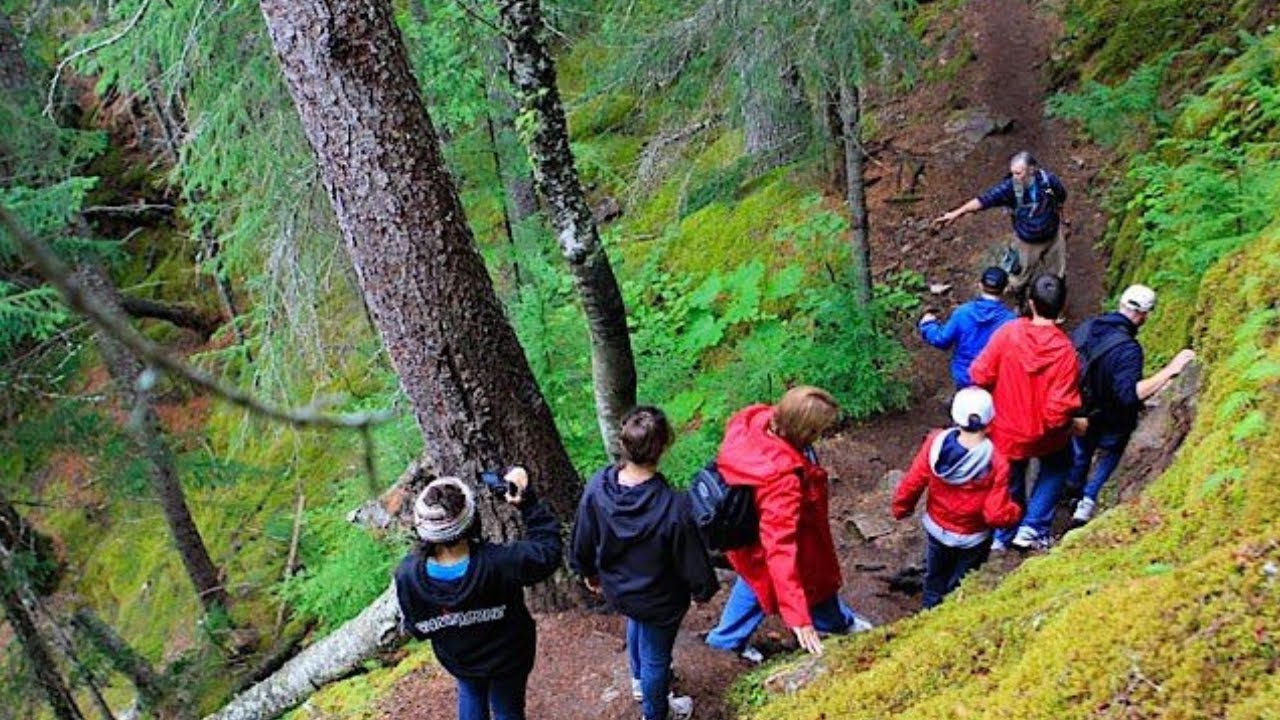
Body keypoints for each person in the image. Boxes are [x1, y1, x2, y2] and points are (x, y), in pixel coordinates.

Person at [704, 386, 871, 662]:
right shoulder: (781, 480)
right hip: (783, 544)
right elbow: (779, 549)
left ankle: (726, 640)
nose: (822, 435)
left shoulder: (755, 422)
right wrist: (798, 617)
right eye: (819, 430)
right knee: (813, 585)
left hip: (748, 540)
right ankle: (835, 623)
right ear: (804, 433)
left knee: (754, 583)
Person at [571, 406, 717, 720]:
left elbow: (582, 535)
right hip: (659, 598)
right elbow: (691, 558)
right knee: (656, 659)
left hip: (619, 589)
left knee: (637, 623)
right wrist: (703, 590)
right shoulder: (673, 506)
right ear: (664, 446)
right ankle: (655, 713)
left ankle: (639, 684)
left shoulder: (598, 486)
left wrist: (587, 571)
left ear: (624, 444)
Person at [393, 469, 561, 720]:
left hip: (460, 659)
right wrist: (528, 504)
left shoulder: (407, 574)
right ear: (471, 519)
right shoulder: (500, 562)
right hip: (508, 657)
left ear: (422, 528)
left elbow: (417, 627)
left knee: (470, 693)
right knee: (507, 710)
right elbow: (548, 552)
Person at [968, 273, 1082, 551]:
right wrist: (1068, 425)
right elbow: (1059, 411)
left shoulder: (1009, 332)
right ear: (1062, 307)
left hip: (1006, 430)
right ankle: (1032, 527)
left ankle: (1003, 536)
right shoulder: (1065, 352)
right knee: (1059, 465)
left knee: (1011, 479)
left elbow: (979, 374)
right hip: (1045, 436)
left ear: (1031, 303)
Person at [1067, 285, 1196, 524]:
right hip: (1111, 419)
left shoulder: (1086, 329)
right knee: (1110, 453)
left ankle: (1072, 490)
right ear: (1144, 315)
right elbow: (1128, 395)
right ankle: (1087, 499)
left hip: (1079, 408)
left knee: (1081, 450)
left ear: (1121, 303)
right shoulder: (1128, 349)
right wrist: (1170, 371)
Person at [892, 388, 1022, 608]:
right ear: (990, 418)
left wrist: (901, 507)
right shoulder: (995, 461)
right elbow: (995, 513)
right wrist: (1015, 513)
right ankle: (951, 612)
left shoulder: (935, 443)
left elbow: (913, 481)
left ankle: (928, 613)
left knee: (935, 576)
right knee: (961, 582)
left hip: (936, 527)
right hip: (973, 537)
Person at [935, 151, 1069, 292]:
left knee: (1057, 275)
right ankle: (1019, 297)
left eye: (1018, 173)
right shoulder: (1010, 188)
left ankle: (1055, 301)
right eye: (1013, 173)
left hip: (1053, 235)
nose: (1015, 178)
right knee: (1019, 277)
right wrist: (956, 213)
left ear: (1031, 170)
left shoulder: (1048, 182)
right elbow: (984, 200)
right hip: (1027, 241)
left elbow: (1059, 198)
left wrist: (1062, 220)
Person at [919, 266, 1018, 389]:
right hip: (993, 379)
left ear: (980, 285)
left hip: (964, 377)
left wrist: (927, 325)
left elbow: (942, 340)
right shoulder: (1011, 321)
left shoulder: (963, 312)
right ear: (1005, 289)